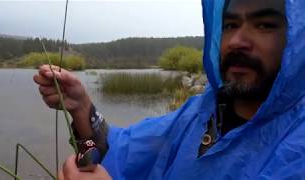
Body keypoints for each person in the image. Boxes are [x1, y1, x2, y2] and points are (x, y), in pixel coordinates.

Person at [34, 0, 305, 179]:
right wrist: (82, 108)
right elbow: (117, 150)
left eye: (264, 25)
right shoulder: (201, 112)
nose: (236, 41)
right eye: (230, 25)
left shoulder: (297, 145)